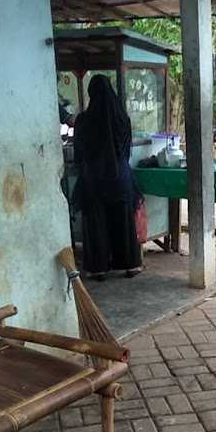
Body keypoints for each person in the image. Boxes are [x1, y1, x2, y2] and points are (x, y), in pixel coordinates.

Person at [73, 75, 143, 281]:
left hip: (93, 179)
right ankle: (130, 265)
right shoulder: (122, 119)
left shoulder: (83, 121)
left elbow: (79, 153)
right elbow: (125, 152)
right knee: (123, 221)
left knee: (96, 223)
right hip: (120, 178)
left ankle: (99, 268)